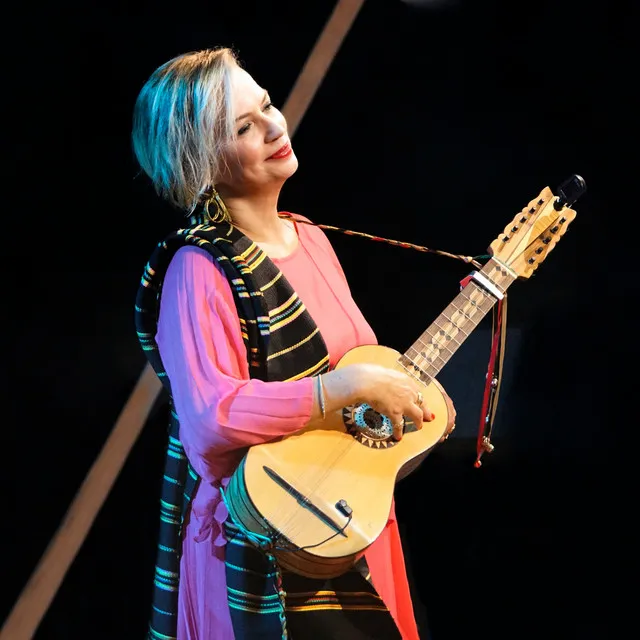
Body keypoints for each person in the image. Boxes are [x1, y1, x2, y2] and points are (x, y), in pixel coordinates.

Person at [131, 46, 456, 640]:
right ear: (200, 163)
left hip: (348, 518)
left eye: (267, 105)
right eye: (243, 127)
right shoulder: (199, 268)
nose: (274, 126)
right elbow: (210, 418)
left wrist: (404, 405)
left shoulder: (310, 238)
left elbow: (353, 398)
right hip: (262, 547)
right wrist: (340, 389)